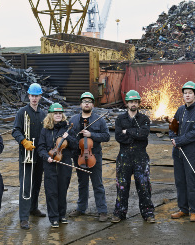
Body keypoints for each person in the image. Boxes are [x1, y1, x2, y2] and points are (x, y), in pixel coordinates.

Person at [111, 90, 156, 223]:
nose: (133, 104)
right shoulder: (120, 119)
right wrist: (134, 135)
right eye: (131, 102)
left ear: (138, 103)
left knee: (143, 185)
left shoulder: (144, 119)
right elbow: (119, 137)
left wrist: (128, 132)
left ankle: (148, 213)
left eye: (135, 102)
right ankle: (119, 213)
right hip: (124, 156)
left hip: (140, 156)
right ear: (127, 103)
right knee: (122, 186)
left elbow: (144, 134)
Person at [68, 92, 110, 222]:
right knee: (82, 183)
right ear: (81, 104)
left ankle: (102, 211)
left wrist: (91, 134)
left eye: (89, 101)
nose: (86, 103)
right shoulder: (73, 120)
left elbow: (106, 136)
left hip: (94, 155)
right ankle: (81, 208)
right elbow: (68, 137)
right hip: (79, 156)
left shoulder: (99, 119)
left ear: (92, 104)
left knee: (97, 184)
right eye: (84, 101)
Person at [169, 81, 195, 222]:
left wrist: (179, 141)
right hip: (178, 152)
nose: (188, 95)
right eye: (185, 93)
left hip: (191, 151)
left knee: (191, 181)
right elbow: (172, 127)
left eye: (190, 93)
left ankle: (194, 210)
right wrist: (173, 138)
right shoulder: (180, 110)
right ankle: (183, 209)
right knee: (180, 181)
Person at [37, 103, 78, 228]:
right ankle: (53, 218)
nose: (58, 115)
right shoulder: (45, 130)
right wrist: (47, 157)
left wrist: (69, 137)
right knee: (51, 192)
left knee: (62, 191)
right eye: (56, 113)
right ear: (51, 115)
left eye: (60, 113)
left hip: (64, 163)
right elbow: (41, 147)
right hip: (50, 165)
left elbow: (76, 145)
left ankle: (62, 215)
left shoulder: (68, 128)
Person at [12, 83, 46, 230]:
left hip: (39, 155)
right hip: (26, 154)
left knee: (37, 184)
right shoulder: (22, 112)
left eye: (36, 96)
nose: (34, 98)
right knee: (26, 186)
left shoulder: (43, 114)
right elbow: (15, 131)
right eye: (32, 96)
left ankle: (33, 208)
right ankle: (24, 218)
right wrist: (23, 141)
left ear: (40, 97)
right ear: (28, 96)